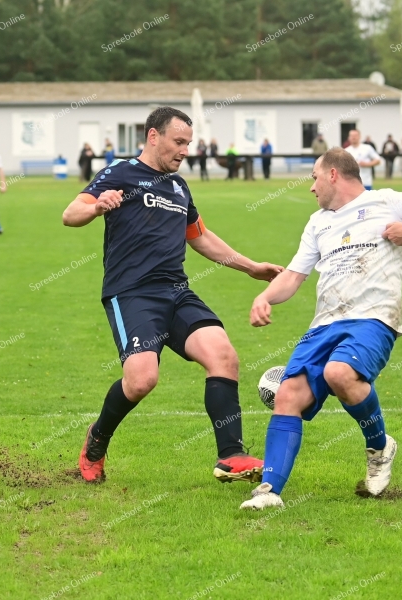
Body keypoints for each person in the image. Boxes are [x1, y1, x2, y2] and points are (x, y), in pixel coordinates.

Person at [62, 107, 283, 485]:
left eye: (188, 144)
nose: (184, 151)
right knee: (142, 381)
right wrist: (98, 206)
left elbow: (201, 237)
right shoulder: (121, 172)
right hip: (131, 293)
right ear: (153, 136)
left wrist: (250, 267)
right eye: (178, 142)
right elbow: (71, 212)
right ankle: (96, 440)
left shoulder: (179, 187)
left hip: (176, 291)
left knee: (224, 356)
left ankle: (231, 455)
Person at [239, 147, 402, 510]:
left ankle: (379, 447)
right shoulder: (317, 223)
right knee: (288, 394)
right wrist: (265, 297)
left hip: (374, 317)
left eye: (314, 177)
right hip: (325, 322)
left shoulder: (386, 201)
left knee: (339, 373)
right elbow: (294, 276)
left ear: (332, 175)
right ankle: (270, 491)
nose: (311, 187)